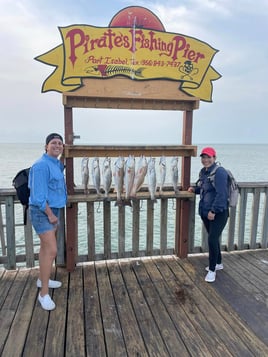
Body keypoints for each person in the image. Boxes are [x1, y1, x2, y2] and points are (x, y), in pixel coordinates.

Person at [28, 133, 67, 310]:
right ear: (46, 146)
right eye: (53, 143)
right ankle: (43, 294)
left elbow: (57, 177)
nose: (57, 145)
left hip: (54, 210)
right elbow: (38, 197)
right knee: (52, 250)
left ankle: (42, 279)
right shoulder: (41, 166)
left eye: (60, 143)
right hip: (43, 212)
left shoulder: (55, 163)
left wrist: (66, 153)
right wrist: (51, 215)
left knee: (45, 249)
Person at [188, 147, 229, 283]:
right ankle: (218, 263)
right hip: (205, 211)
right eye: (203, 157)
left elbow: (222, 194)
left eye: (208, 157)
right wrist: (195, 189)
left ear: (214, 158)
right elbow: (205, 189)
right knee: (214, 238)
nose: (205, 160)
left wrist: (213, 211)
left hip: (218, 213)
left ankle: (212, 271)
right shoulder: (204, 172)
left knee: (211, 240)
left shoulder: (220, 172)